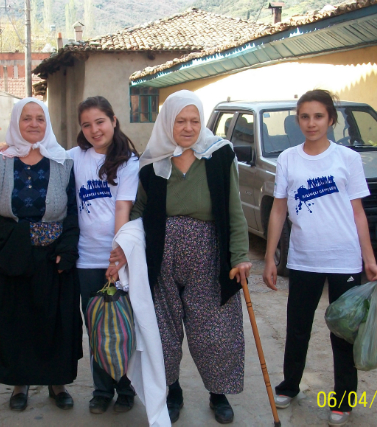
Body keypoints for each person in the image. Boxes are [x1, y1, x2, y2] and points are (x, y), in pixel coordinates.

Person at [131, 90, 252, 425]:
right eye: (180, 121)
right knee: (162, 331)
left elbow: (234, 210)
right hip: (160, 257)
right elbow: (138, 211)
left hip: (209, 253)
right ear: (168, 122)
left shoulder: (219, 156)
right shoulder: (153, 162)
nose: (188, 127)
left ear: (202, 122)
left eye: (194, 121)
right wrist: (125, 248)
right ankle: (172, 390)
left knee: (216, 329)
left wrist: (240, 255)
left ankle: (218, 393)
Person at [262, 89, 377, 427]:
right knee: (297, 328)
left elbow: (358, 212)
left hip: (344, 259)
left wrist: (369, 259)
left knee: (343, 332)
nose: (311, 123)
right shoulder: (287, 158)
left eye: (318, 116)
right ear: (297, 120)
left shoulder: (347, 159)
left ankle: (343, 398)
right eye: (304, 116)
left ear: (330, 119)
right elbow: (279, 209)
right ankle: (289, 386)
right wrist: (271, 257)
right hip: (303, 260)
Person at [0, 98, 82, 412]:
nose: (33, 124)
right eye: (26, 118)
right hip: (11, 254)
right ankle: (20, 383)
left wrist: (67, 251)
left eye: (39, 119)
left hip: (52, 257)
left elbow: (72, 212)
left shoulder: (62, 161)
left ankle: (57, 383)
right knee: (17, 322)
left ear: (47, 124)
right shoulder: (2, 161)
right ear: (17, 122)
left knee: (53, 321)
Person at [69, 96, 140, 414]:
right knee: (96, 326)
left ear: (113, 120)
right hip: (86, 260)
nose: (94, 130)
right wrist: (8, 148)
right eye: (87, 124)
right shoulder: (74, 157)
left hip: (119, 258)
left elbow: (123, 208)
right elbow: (38, 151)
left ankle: (126, 388)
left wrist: (117, 256)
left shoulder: (129, 162)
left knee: (123, 327)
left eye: (100, 121)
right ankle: (101, 390)